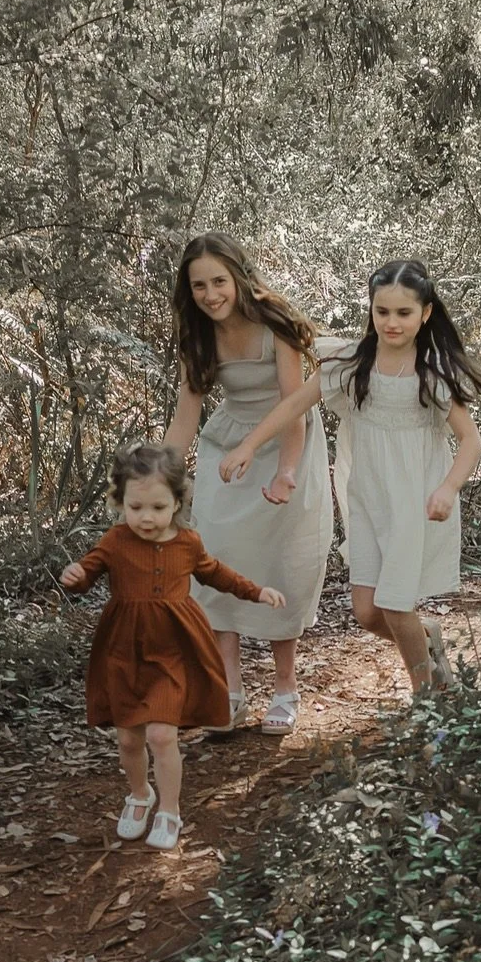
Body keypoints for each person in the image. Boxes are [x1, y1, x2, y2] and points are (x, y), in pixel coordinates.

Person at [220, 259, 481, 694]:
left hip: (415, 503)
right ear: (370, 310)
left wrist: (448, 488)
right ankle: (427, 638)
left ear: (425, 314)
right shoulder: (351, 364)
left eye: (404, 313)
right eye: (381, 311)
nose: (391, 322)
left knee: (394, 603)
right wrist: (249, 444)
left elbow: (471, 441)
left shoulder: (434, 371)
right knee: (368, 613)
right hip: (368, 501)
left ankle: (425, 697)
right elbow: (293, 405)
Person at [60, 443, 285, 851]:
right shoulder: (114, 541)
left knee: (163, 735)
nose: (146, 517)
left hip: (173, 652)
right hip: (124, 652)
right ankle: (139, 795)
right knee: (129, 739)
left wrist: (257, 592)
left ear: (178, 503)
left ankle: (170, 809)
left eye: (158, 508)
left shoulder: (188, 544)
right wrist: (75, 575)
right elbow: (89, 570)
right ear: (121, 502)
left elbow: (218, 574)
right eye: (136, 507)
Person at [163, 234, 332, 736]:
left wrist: (286, 472)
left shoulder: (274, 324)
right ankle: (229, 693)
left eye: (218, 281)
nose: (211, 294)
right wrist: (158, 479)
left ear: (238, 277)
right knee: (215, 564)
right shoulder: (197, 337)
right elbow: (184, 418)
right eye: (199, 286)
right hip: (227, 450)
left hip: (286, 443)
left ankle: (285, 689)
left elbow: (293, 407)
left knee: (282, 563)